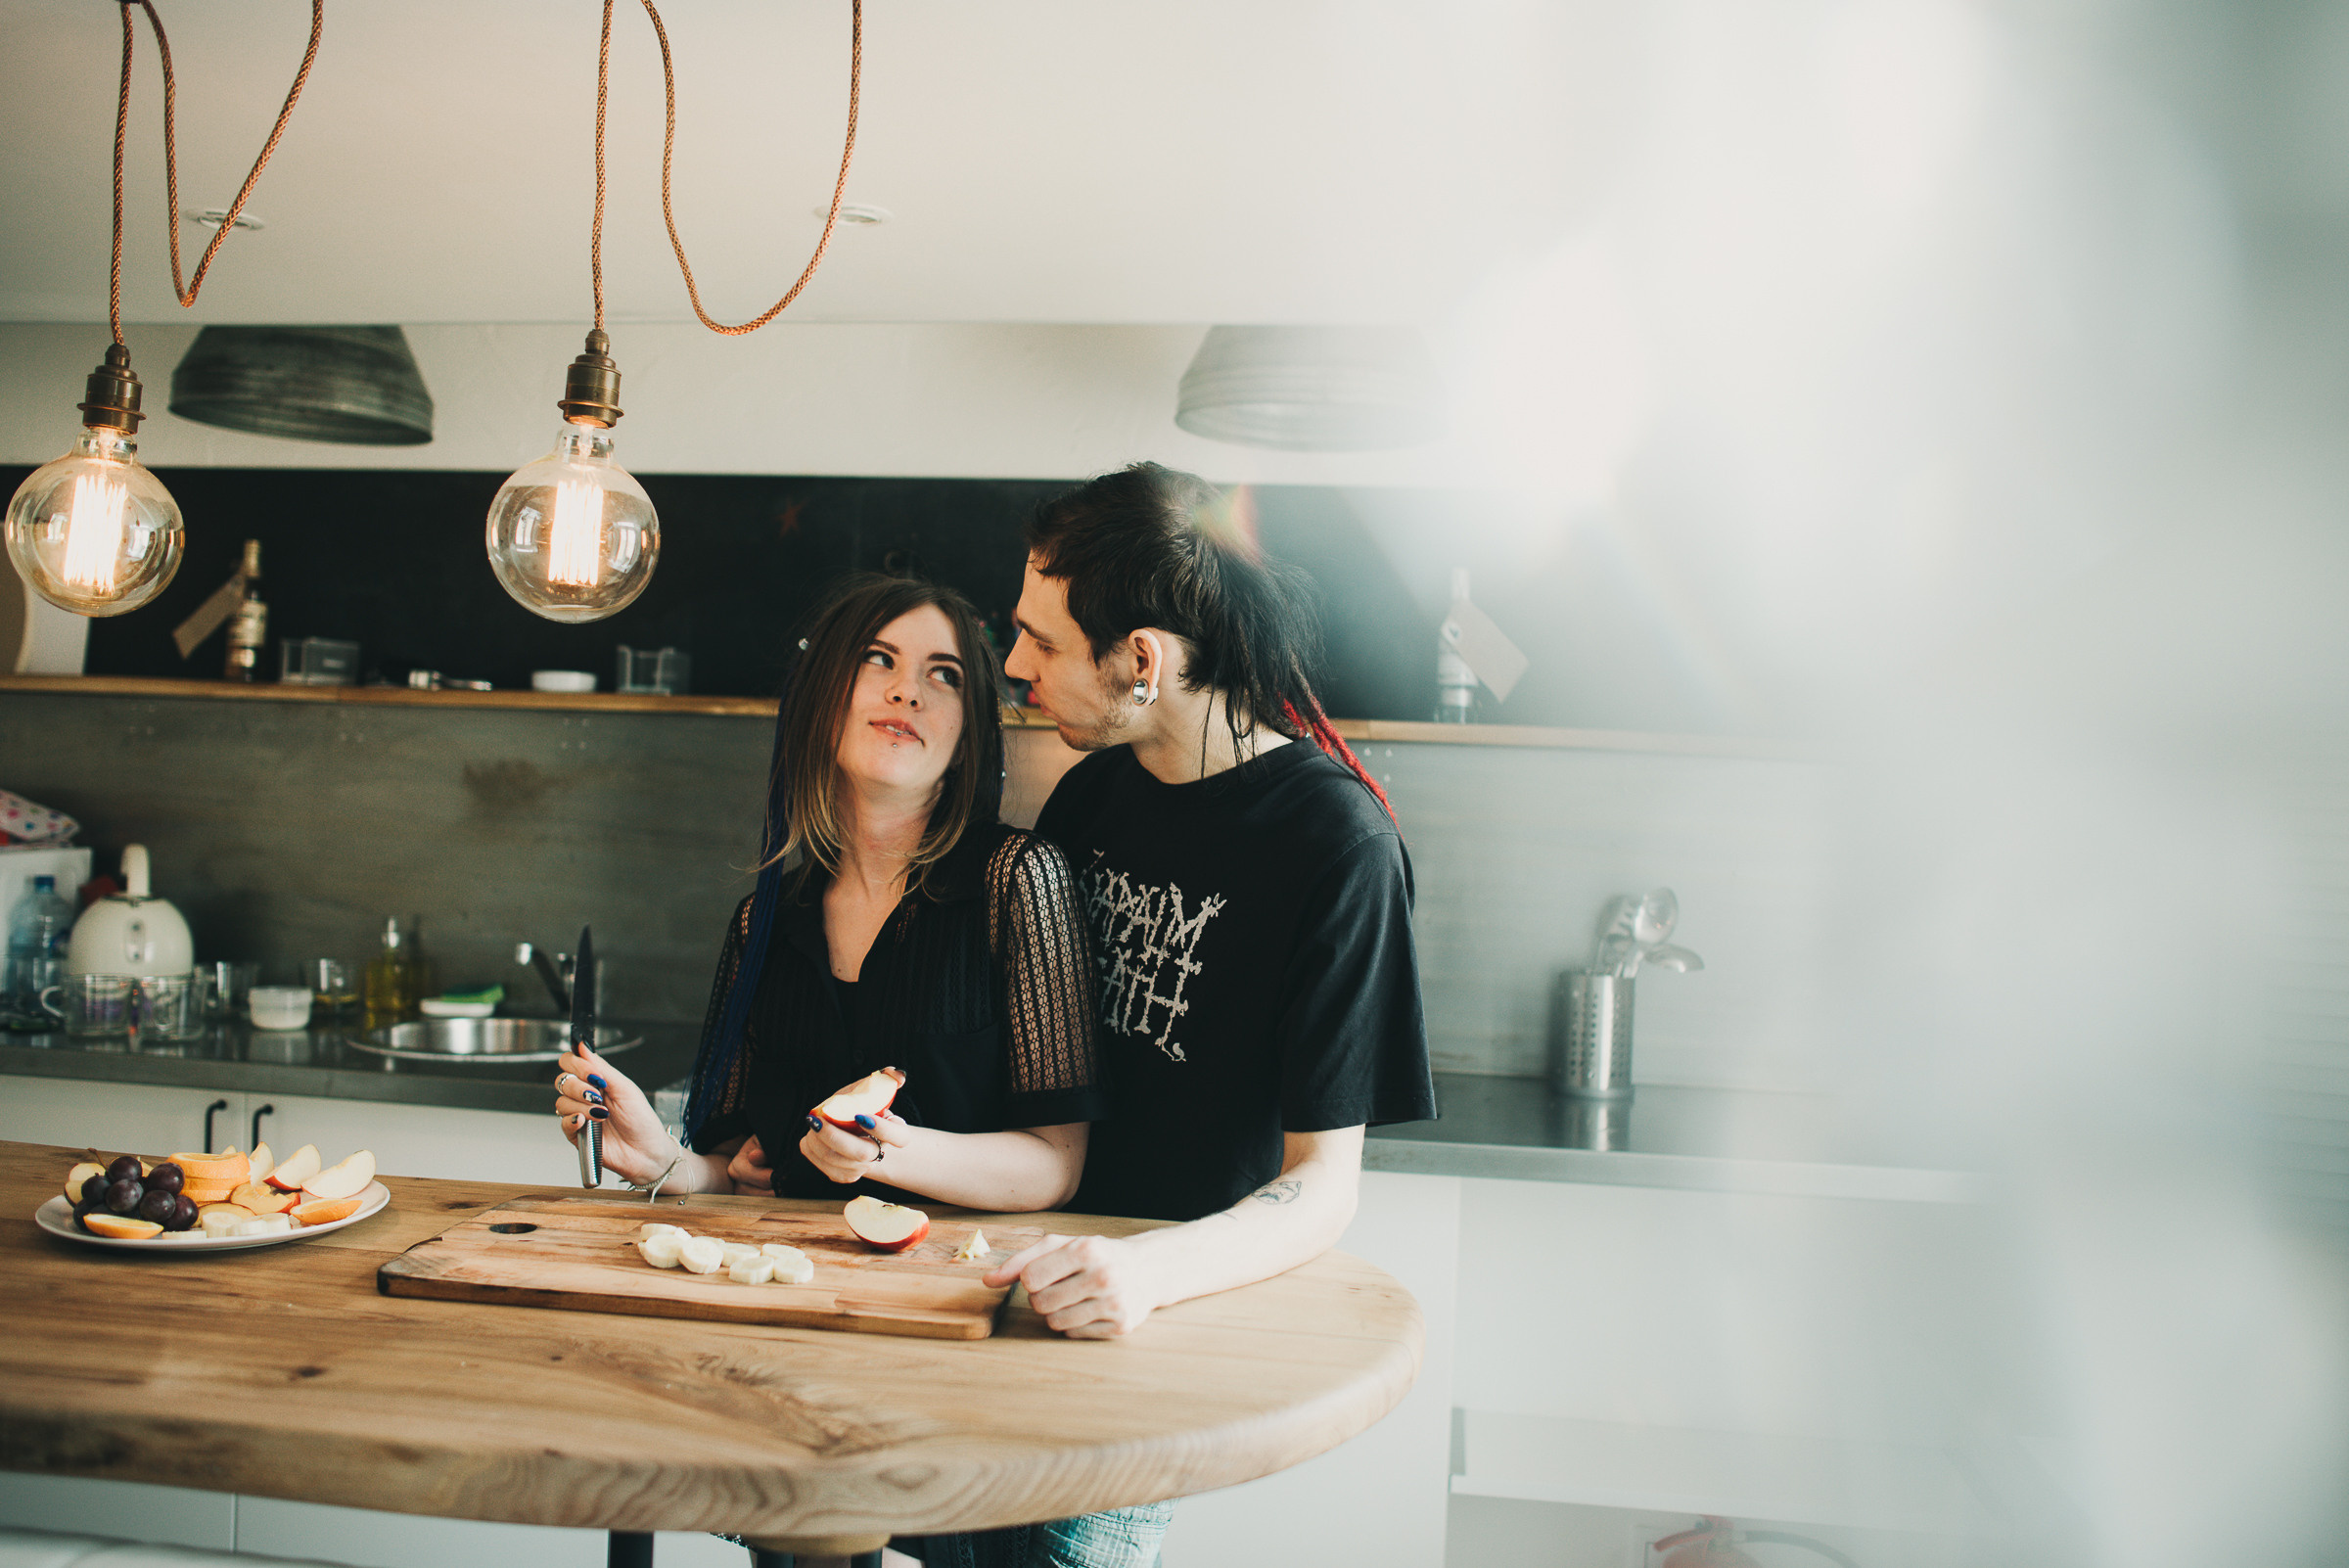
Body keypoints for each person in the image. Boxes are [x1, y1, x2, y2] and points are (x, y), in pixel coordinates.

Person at [967, 461, 1437, 1566]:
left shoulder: (1336, 846)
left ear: (1142, 660)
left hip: (1157, 1326)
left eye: (1040, 640)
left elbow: (1325, 1182)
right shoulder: (1093, 795)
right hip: (1016, 1289)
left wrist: (1148, 1271)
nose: (1015, 663)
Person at [553, 572, 1104, 1228]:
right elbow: (741, 1179)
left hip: (956, 1288)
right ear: (823, 698)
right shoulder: (765, 922)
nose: (908, 690)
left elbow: (1057, 1168)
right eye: (879, 659)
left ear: (966, 743)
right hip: (793, 1285)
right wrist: (662, 1162)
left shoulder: (1014, 881)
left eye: (945, 674)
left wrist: (883, 1153)